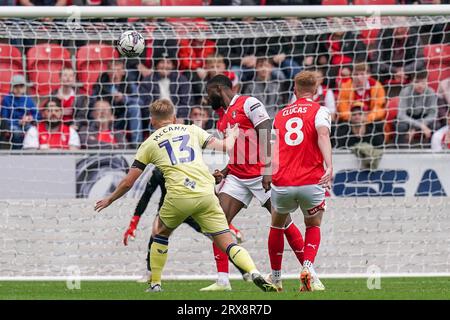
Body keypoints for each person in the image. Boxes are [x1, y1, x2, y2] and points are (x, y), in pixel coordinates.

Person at [95, 99, 277, 293]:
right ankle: (254, 271)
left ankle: (155, 284)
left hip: (179, 196)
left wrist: (110, 199)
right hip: (206, 193)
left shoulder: (148, 144)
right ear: (174, 118)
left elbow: (128, 182)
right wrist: (232, 135)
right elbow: (226, 146)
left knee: (159, 232)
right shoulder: (191, 130)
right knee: (226, 240)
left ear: (152, 121)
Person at [202, 75, 306, 292]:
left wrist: (269, 170)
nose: (206, 98)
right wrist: (225, 171)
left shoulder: (249, 103)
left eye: (208, 92)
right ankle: (222, 280)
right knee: (217, 222)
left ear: (218, 88)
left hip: (261, 175)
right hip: (238, 178)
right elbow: (238, 150)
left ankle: (309, 272)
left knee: (284, 223)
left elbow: (269, 133)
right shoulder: (222, 118)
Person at [265, 71, 332, 292]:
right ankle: (308, 268)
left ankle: (276, 278)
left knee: (277, 224)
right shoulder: (320, 111)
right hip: (311, 180)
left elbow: (271, 147)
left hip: (283, 181)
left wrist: (267, 173)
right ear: (315, 91)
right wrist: (329, 165)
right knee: (312, 224)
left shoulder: (280, 115)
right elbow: (322, 135)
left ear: (295, 90)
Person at [91, 59, 142, 147]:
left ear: (123, 72)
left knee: (135, 108)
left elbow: (141, 101)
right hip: (103, 118)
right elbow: (92, 102)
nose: (115, 73)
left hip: (122, 119)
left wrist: (124, 98)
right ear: (108, 72)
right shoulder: (100, 84)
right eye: (112, 70)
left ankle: (137, 144)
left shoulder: (130, 84)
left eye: (118, 70)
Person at [139, 50, 191, 122]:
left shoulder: (181, 80)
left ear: (173, 65)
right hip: (156, 119)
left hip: (177, 118)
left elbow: (186, 101)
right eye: (162, 62)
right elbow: (146, 104)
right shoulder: (147, 81)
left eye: (168, 62)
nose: (165, 66)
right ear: (156, 65)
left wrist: (181, 117)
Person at [396, 70, 439, 147]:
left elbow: (433, 114)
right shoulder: (405, 91)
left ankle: (430, 149)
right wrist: (420, 125)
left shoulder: (431, 92)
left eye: (423, 82)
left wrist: (415, 127)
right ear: (411, 82)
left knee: (436, 125)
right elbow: (401, 115)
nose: (420, 85)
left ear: (427, 82)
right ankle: (401, 149)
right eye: (416, 82)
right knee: (401, 126)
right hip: (408, 118)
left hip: (424, 118)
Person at [0, 74, 38, 149]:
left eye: (21, 87)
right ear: (11, 87)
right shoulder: (6, 99)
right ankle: (16, 153)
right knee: (17, 133)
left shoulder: (28, 99)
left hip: (26, 124)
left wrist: (30, 118)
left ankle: (29, 152)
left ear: (25, 88)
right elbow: (4, 118)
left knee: (32, 131)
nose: (18, 89)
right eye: (16, 87)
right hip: (12, 125)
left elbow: (37, 114)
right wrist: (18, 122)